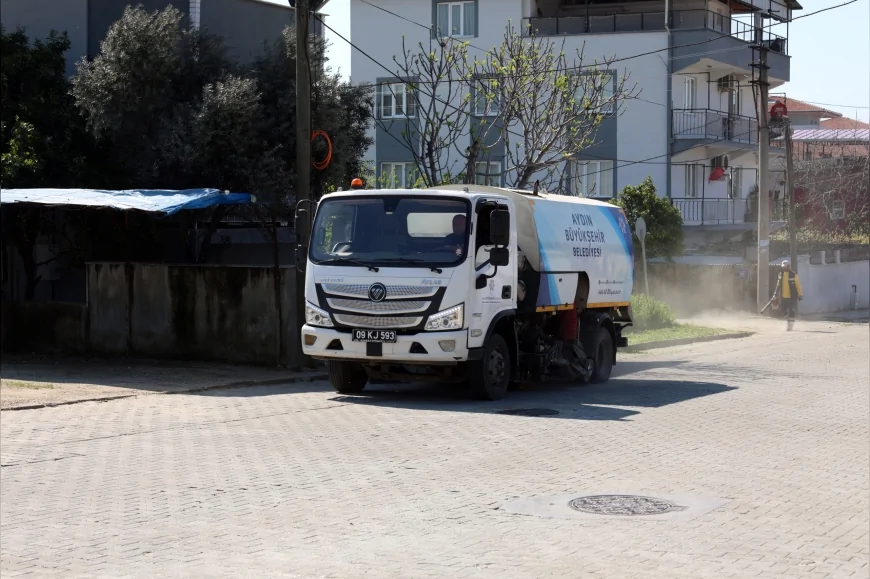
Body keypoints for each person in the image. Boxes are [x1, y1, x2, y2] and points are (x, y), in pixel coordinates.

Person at [773, 259, 803, 331]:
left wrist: (800, 294)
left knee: (791, 311)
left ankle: (790, 326)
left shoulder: (793, 275)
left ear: (788, 266)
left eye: (785, 267)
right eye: (783, 267)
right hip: (783, 296)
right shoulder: (780, 274)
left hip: (792, 297)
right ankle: (789, 319)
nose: (784, 268)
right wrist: (775, 293)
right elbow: (778, 285)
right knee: (782, 310)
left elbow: (798, 285)